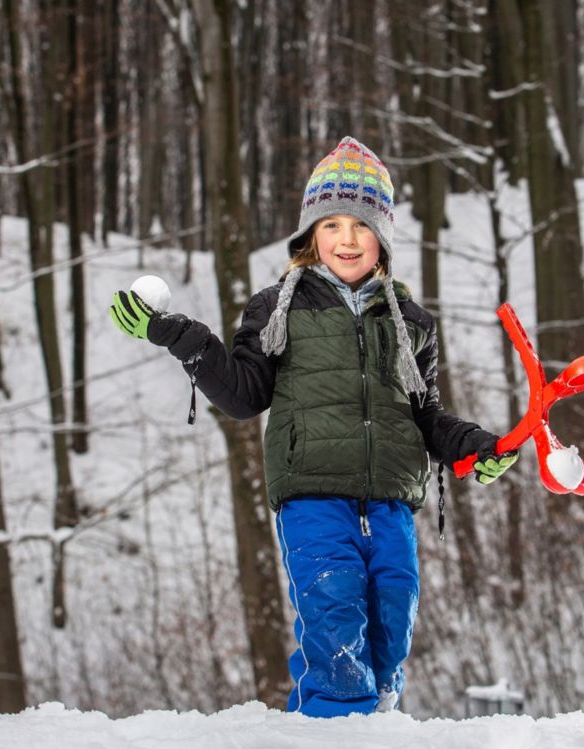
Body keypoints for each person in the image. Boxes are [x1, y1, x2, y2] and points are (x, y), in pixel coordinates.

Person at [109, 136, 518, 718]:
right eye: (332, 225)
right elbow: (246, 396)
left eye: (361, 224)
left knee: (392, 617)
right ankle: (334, 739)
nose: (347, 239)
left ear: (383, 236)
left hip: (392, 501)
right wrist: (184, 338)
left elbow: (426, 415)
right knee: (334, 606)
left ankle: (378, 730)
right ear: (310, 237)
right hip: (313, 494)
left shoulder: (412, 322)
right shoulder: (277, 307)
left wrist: (474, 447)